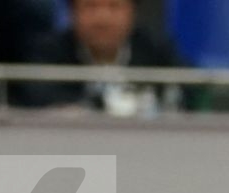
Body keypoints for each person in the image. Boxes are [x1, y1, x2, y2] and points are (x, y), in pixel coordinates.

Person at [13, 0, 189, 115]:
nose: (102, 19)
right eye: (90, 7)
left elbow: (185, 96)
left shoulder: (156, 50)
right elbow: (38, 98)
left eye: (114, 7)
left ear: (132, 13)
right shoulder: (48, 53)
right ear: (71, 14)